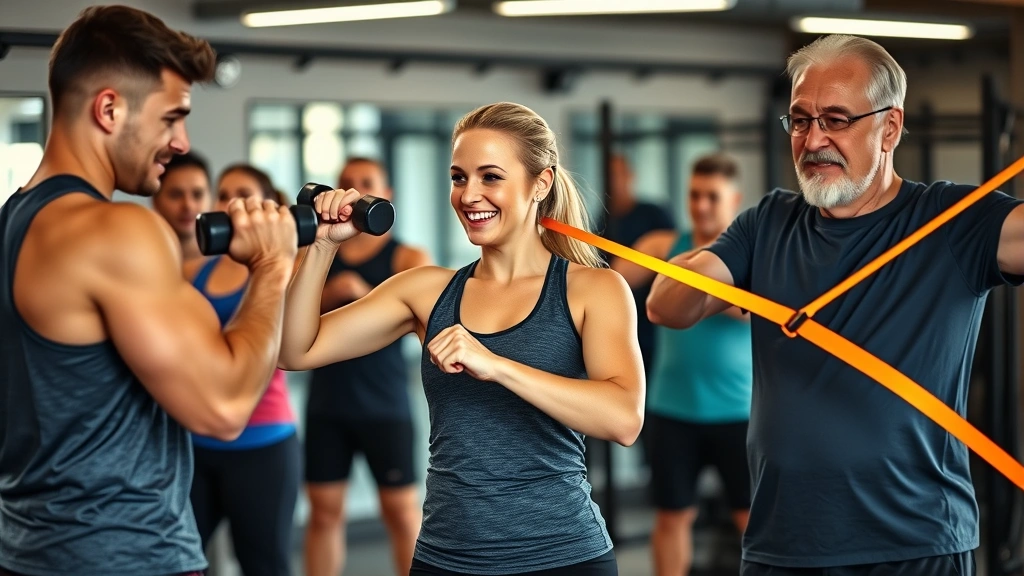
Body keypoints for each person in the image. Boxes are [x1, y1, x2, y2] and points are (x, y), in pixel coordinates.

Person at [647, 34, 1024, 576]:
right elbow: (668, 306)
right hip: (783, 544)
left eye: (836, 119)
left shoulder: (953, 221)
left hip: (915, 545)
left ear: (889, 127)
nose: (813, 139)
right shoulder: (769, 222)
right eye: (800, 120)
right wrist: (710, 277)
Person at [278, 101, 645, 575]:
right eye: (458, 177)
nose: (469, 195)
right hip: (447, 558)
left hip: (563, 556)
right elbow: (294, 349)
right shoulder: (427, 291)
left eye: (491, 177)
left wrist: (496, 365)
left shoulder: (592, 289)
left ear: (541, 183)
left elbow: (623, 419)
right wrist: (323, 245)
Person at [0, 6, 299, 576]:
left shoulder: (13, 223)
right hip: (128, 555)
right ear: (109, 109)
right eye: (172, 118)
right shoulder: (118, 230)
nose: (182, 142)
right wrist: (272, 265)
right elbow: (225, 408)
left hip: (29, 554)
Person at [153, 159, 302, 576]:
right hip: (198, 445)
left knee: (264, 564)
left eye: (243, 196)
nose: (231, 204)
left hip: (263, 444)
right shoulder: (193, 271)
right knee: (180, 559)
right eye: (223, 195)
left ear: (268, 207)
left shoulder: (283, 273)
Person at [611, 153, 751, 576]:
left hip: (738, 414)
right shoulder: (662, 246)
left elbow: (730, 307)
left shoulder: (750, 256)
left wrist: (678, 278)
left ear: (734, 200)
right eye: (695, 195)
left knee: (752, 522)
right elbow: (607, 281)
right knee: (672, 517)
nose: (702, 205)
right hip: (673, 410)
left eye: (712, 196)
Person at [303, 157, 431, 576]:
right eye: (347, 184)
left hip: (384, 404)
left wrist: (366, 294)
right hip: (327, 403)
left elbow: (424, 316)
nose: (356, 191)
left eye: (367, 183)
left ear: (385, 195)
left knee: (401, 512)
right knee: (323, 515)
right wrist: (329, 293)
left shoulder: (407, 256)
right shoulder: (318, 252)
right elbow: (289, 317)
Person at [597, 154, 675, 378]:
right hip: (616, 317)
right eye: (609, 175)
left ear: (630, 176)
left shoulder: (653, 214)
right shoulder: (601, 219)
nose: (614, 181)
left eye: (618, 174)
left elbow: (677, 257)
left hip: (653, 319)